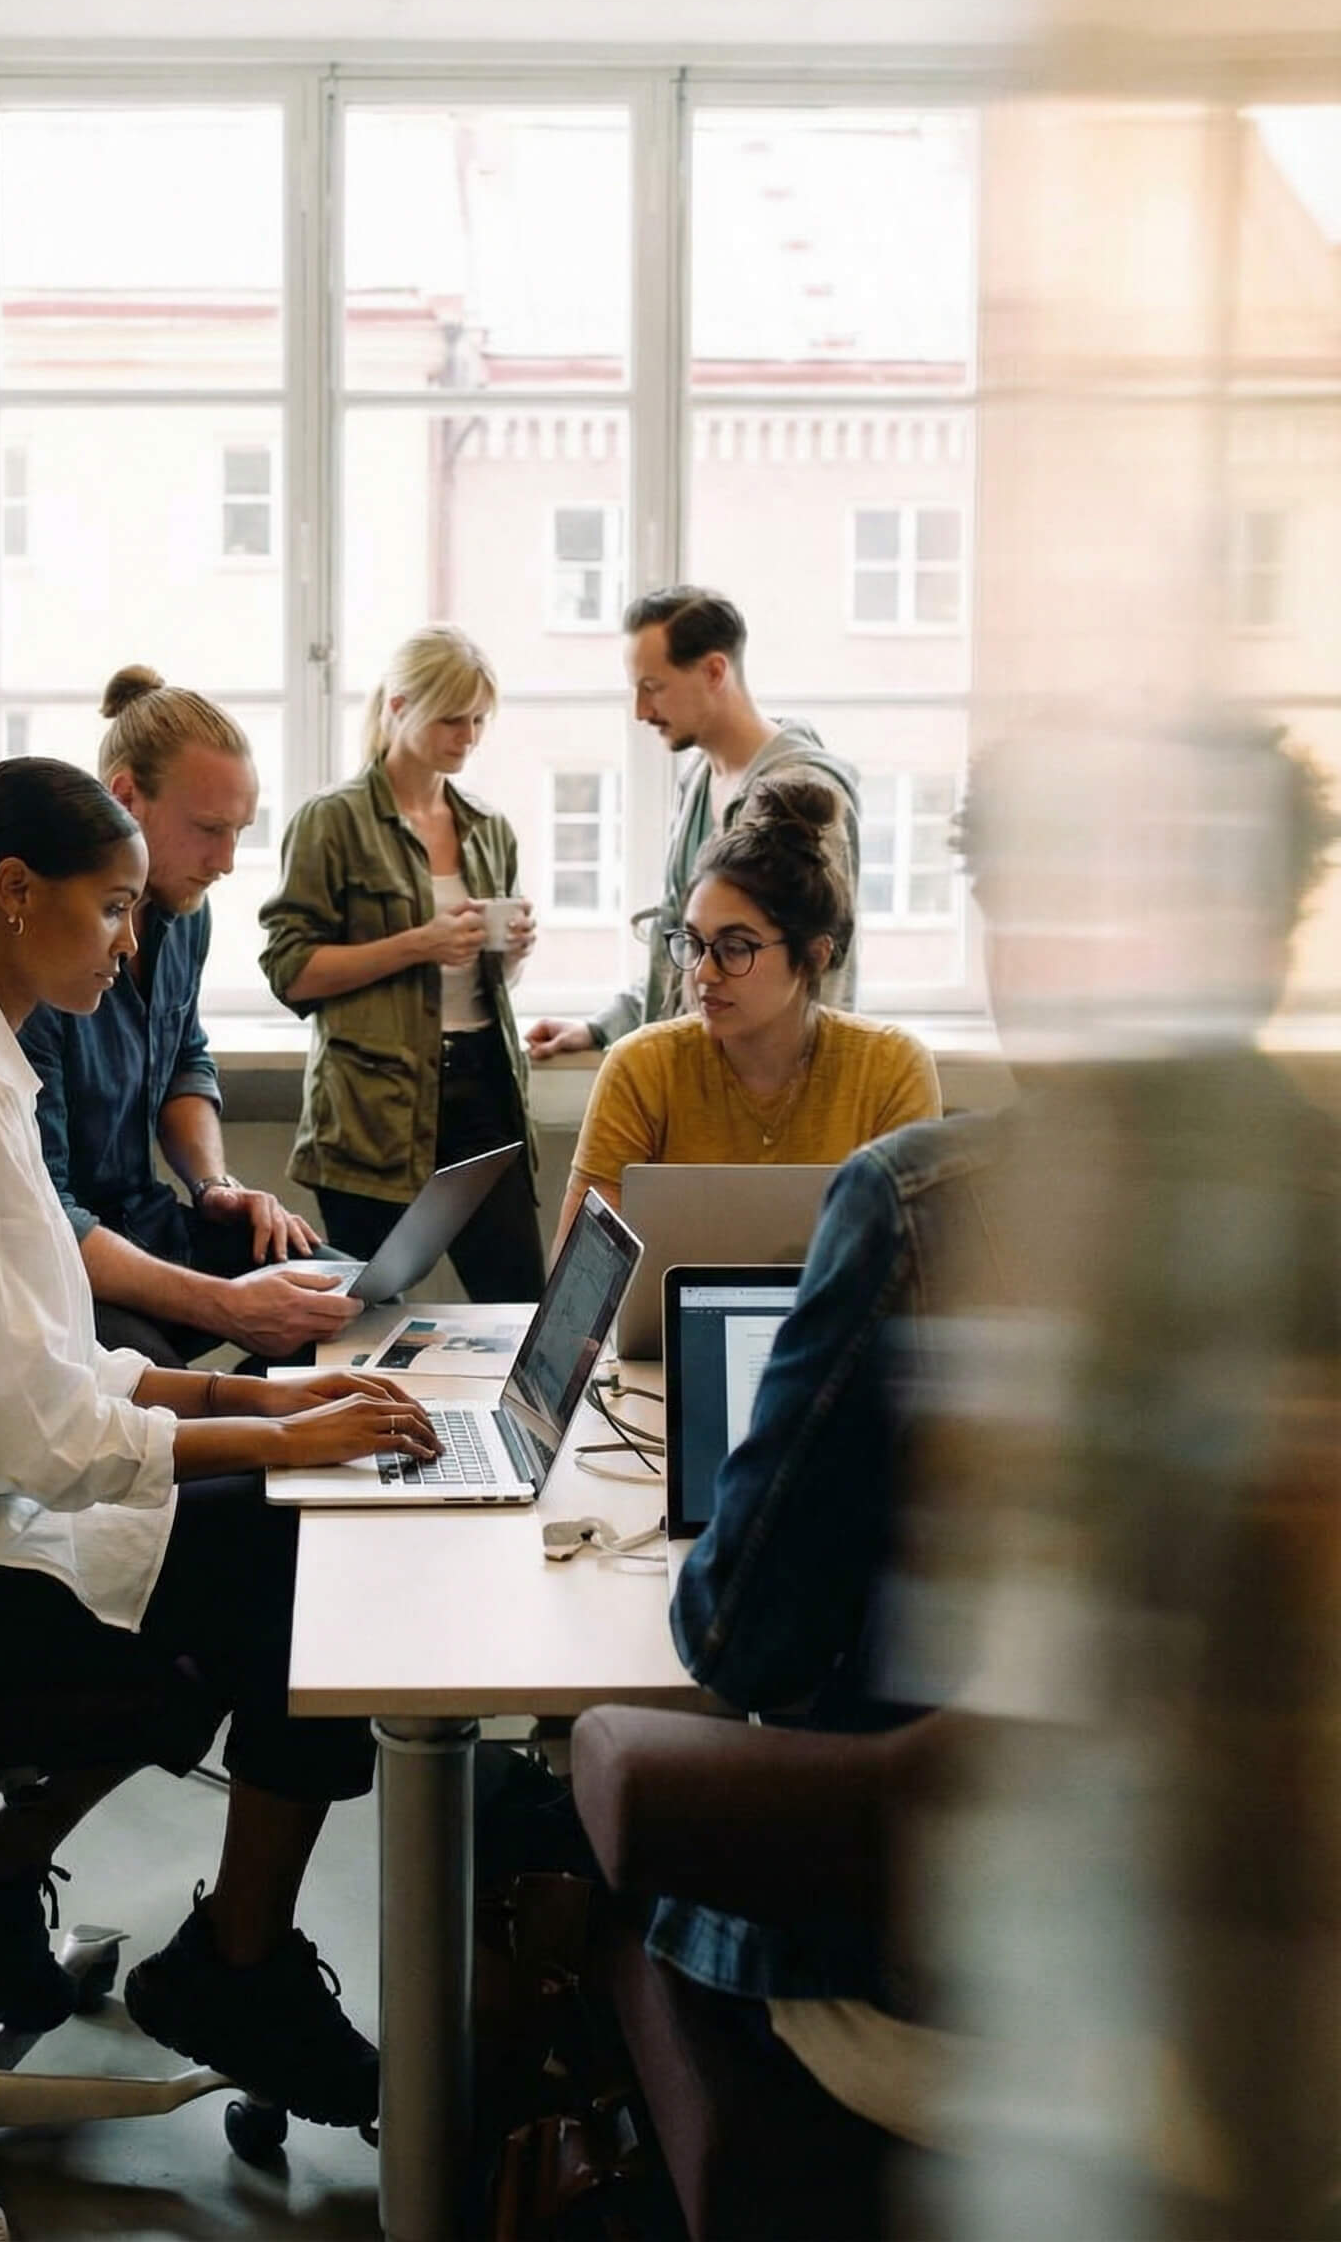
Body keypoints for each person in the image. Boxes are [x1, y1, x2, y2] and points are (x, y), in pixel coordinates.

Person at [657, 715, 1341, 2220]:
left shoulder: (926, 1205)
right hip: (1280, 2014)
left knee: (589, 1866)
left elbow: (739, 1635)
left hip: (952, 1999)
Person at [0, 756, 440, 2127]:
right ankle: (234, 1967)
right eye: (116, 908)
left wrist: (265, 1405)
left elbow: (52, 1372)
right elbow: (55, 1435)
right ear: (18, 896)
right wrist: (278, 1436)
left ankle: (15, 1872)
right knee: (296, 1584)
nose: (134, 942)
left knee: (255, 1545)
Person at [20, 666, 357, 1368]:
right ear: (125, 798)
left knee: (349, 1301)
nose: (228, 861)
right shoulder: (39, 951)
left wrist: (214, 1186)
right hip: (63, 1262)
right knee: (163, 1388)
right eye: (208, 830)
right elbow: (46, 1217)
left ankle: (280, 1447)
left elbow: (184, 1062)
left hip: (146, 1220)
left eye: (239, 832)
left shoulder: (183, 917)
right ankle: (253, 1451)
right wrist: (229, 1307)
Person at [258, 623, 546, 1303]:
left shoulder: (488, 827)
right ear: (397, 707)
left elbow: (477, 987)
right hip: (371, 1108)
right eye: (452, 718)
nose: (467, 738)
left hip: (484, 1089)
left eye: (478, 720)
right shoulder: (332, 822)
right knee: (367, 1320)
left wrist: (511, 956)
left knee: (522, 1308)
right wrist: (418, 943)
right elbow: (289, 970)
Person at [552, 773, 937, 1257]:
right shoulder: (642, 1066)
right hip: (669, 1333)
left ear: (814, 956)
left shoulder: (889, 1067)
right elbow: (578, 1289)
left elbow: (914, 1274)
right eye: (692, 942)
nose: (704, 973)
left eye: (735, 948)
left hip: (835, 1335)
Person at [527, 586, 860, 1063]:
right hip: (696, 1079)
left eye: (653, 687)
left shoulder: (806, 793)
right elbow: (681, 945)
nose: (641, 711)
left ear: (713, 671)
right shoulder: (698, 783)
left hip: (767, 1093)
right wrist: (604, 1027)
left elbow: (823, 975)